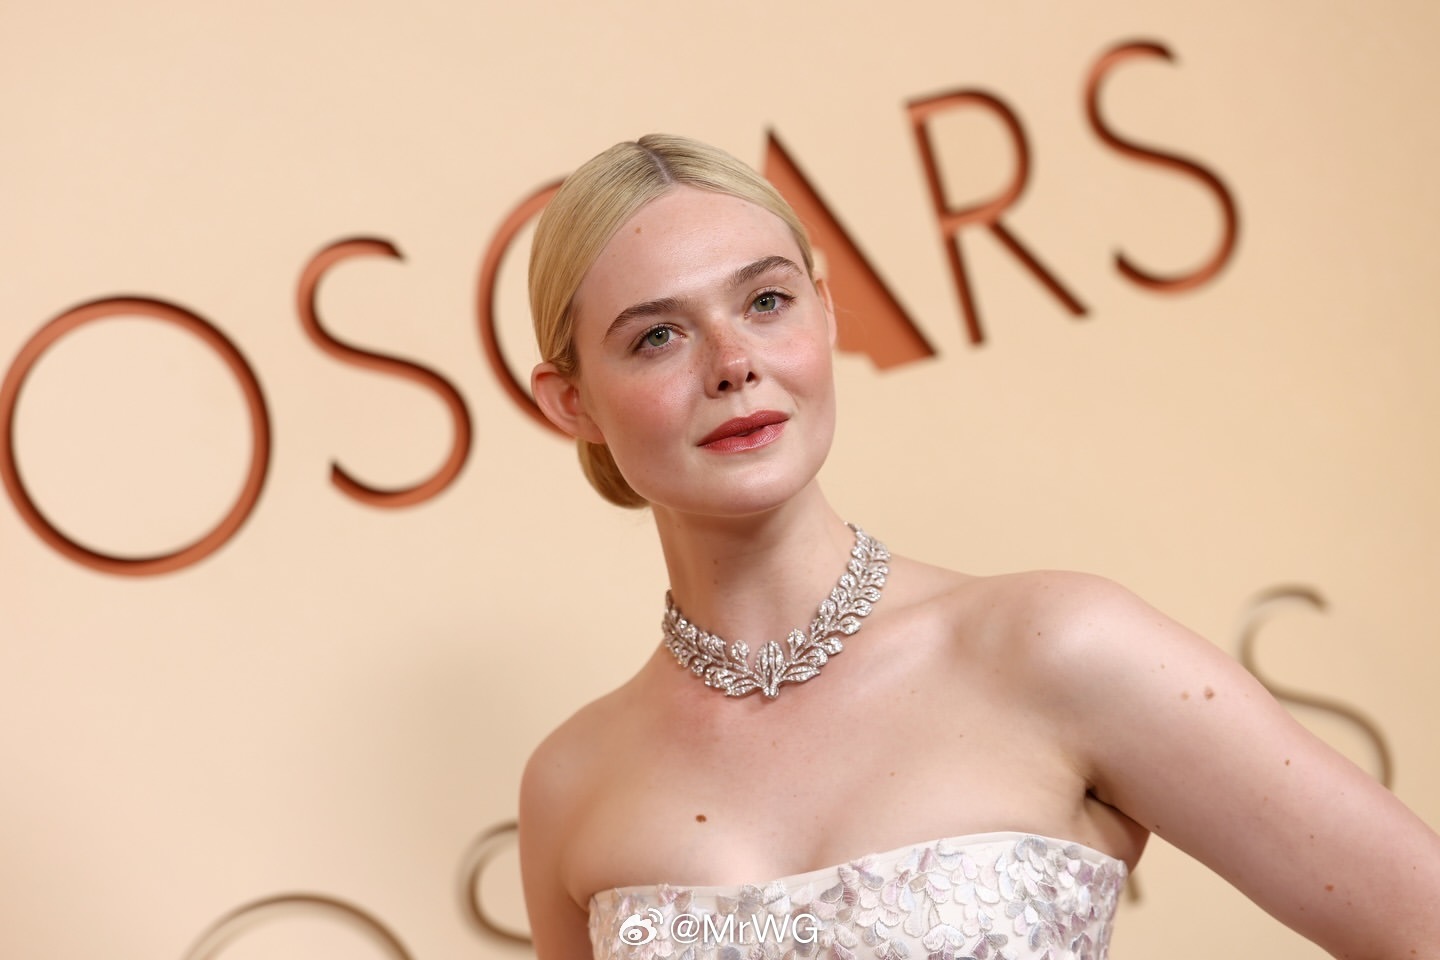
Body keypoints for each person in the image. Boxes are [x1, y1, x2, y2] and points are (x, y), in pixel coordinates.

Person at [517, 133, 1440, 959]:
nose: (733, 363)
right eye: (658, 336)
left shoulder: (1059, 645)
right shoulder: (571, 783)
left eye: (766, 300)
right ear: (570, 401)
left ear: (825, 313)